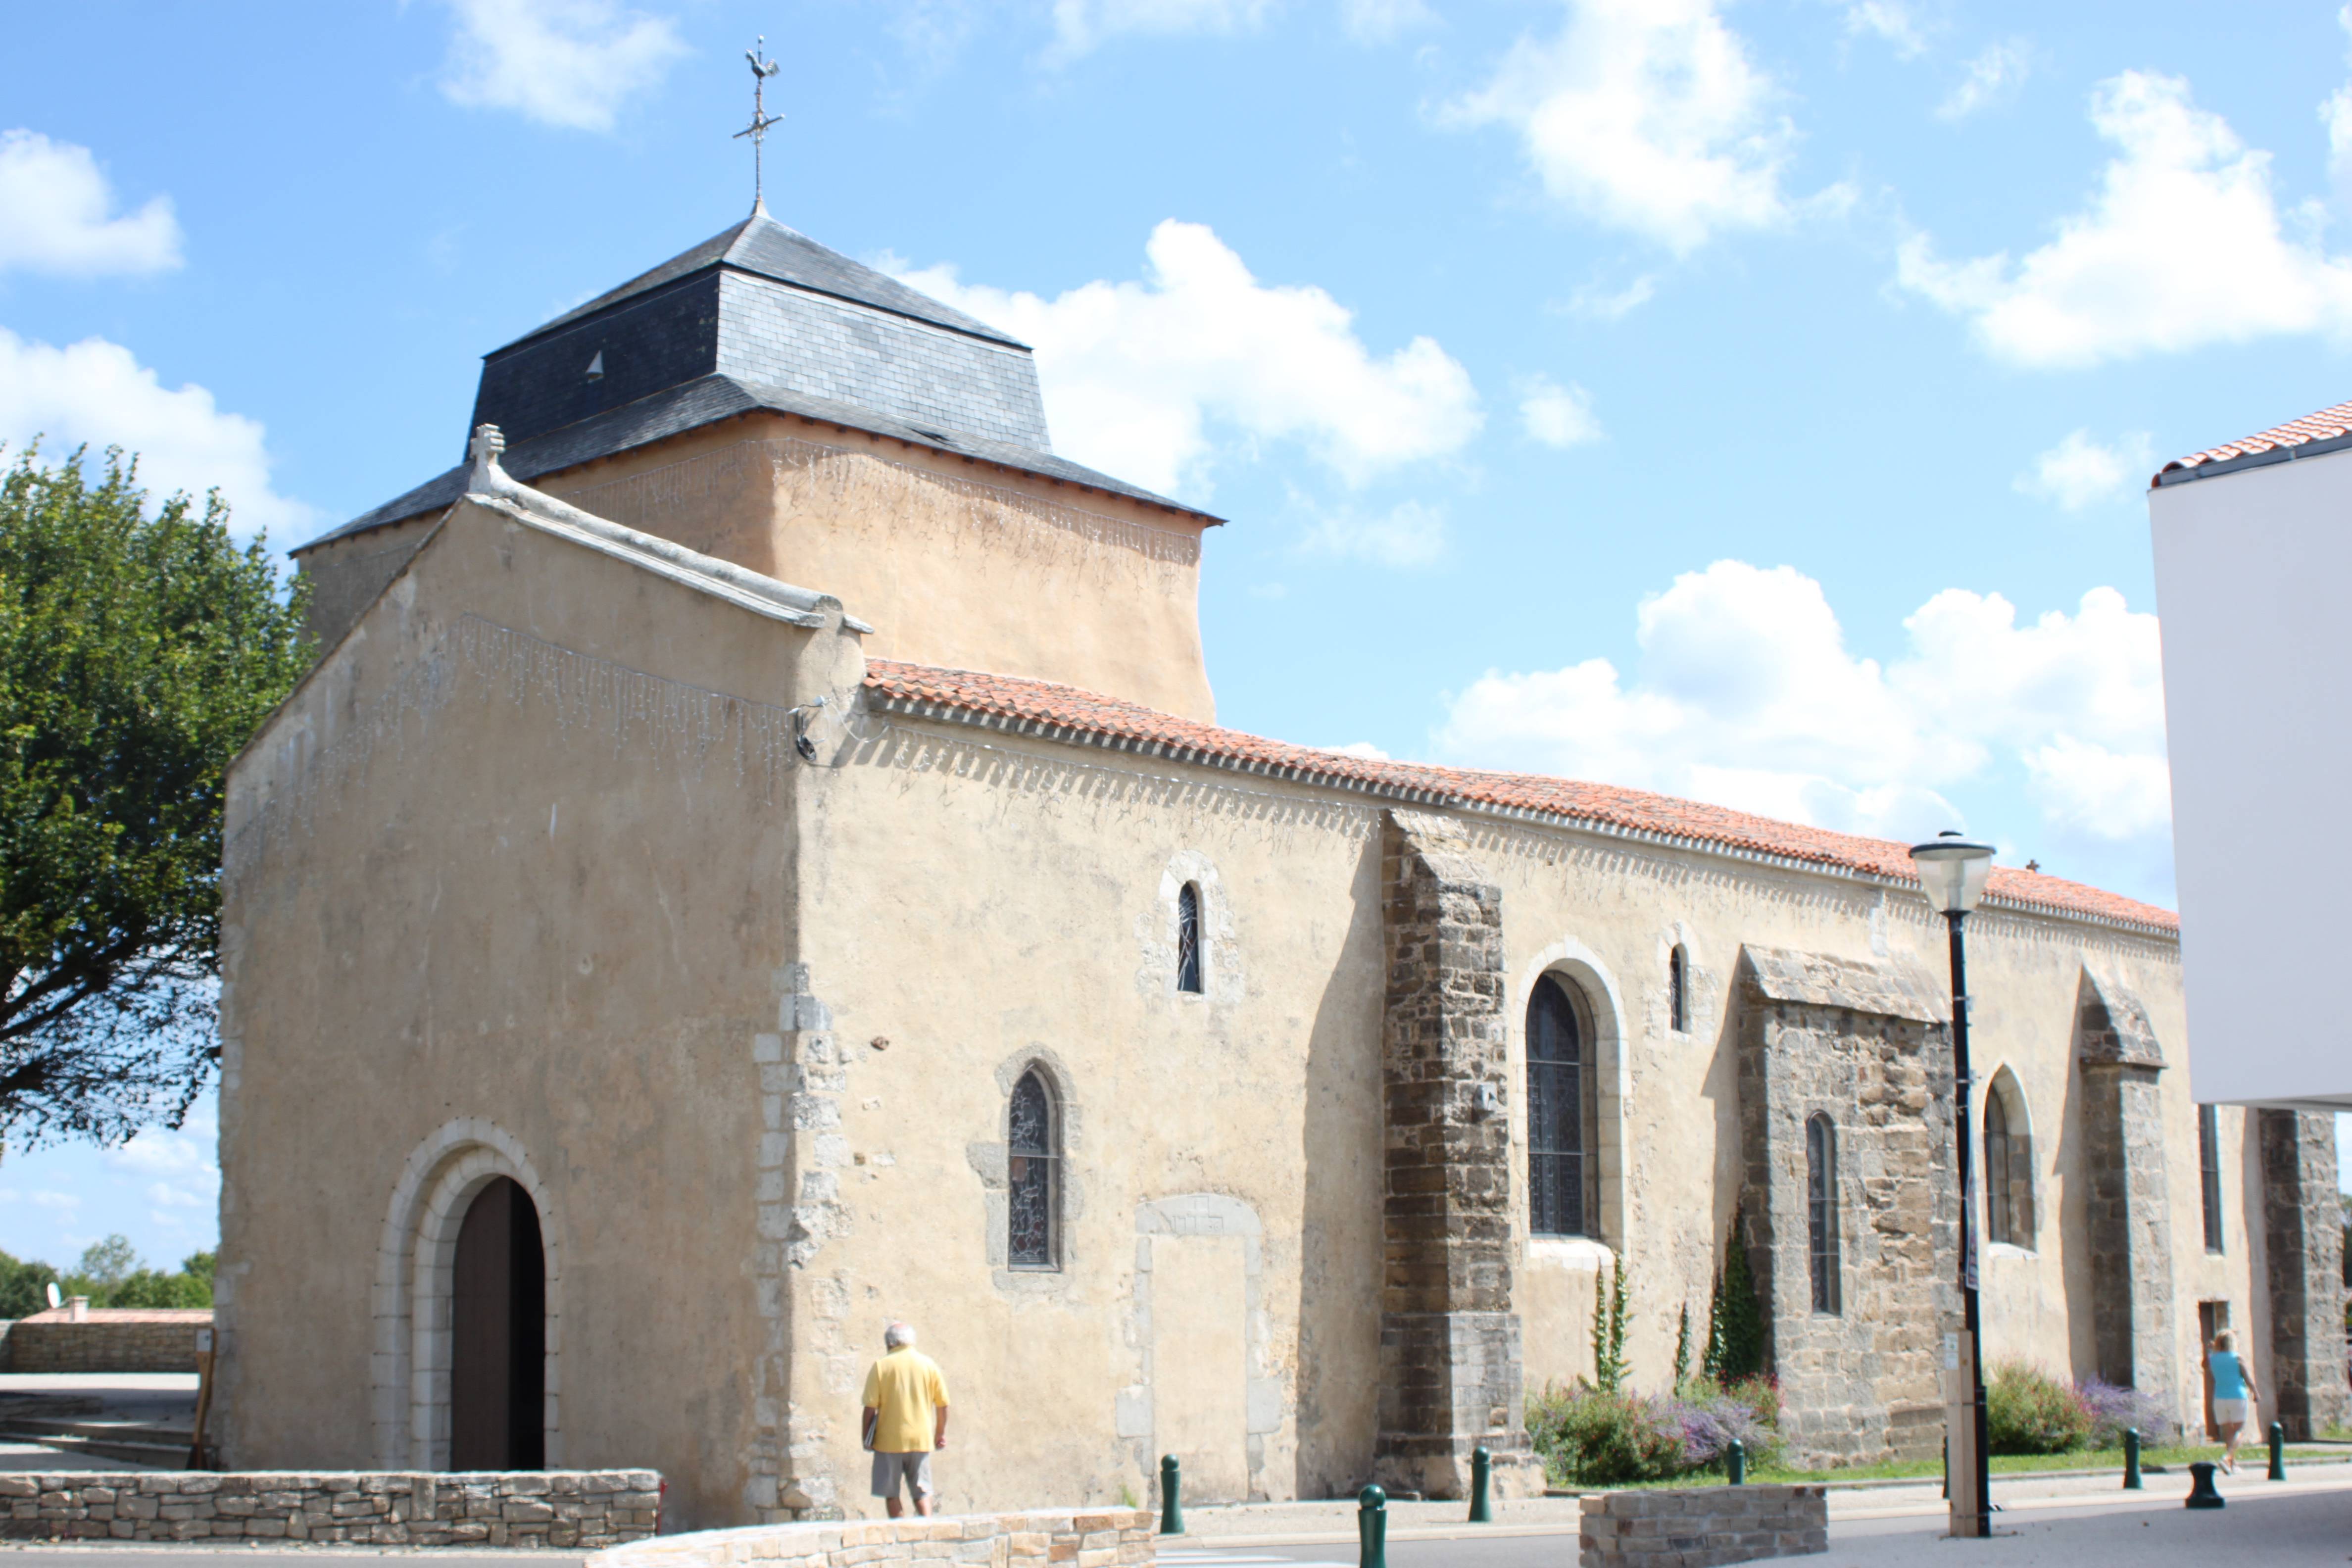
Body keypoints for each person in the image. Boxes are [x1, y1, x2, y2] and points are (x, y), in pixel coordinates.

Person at [861, 1321, 950, 1517]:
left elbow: (870, 1408)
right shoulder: (929, 1365)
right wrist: (939, 1433)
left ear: (889, 1343)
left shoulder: (881, 1366)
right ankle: (927, 1531)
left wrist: (866, 1438)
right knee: (922, 1491)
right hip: (921, 1438)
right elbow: (943, 1404)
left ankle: (899, 1533)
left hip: (888, 1441)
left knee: (891, 1494)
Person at [2205, 1328, 2258, 1473]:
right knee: (2240, 1429)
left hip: (2220, 1397)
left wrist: (2210, 1351)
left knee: (2228, 1431)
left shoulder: (2213, 1358)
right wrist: (2256, 1393)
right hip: (2238, 1395)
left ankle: (2232, 1464)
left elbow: (2205, 1366)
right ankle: (2227, 1457)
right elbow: (2248, 1379)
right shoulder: (2237, 1358)